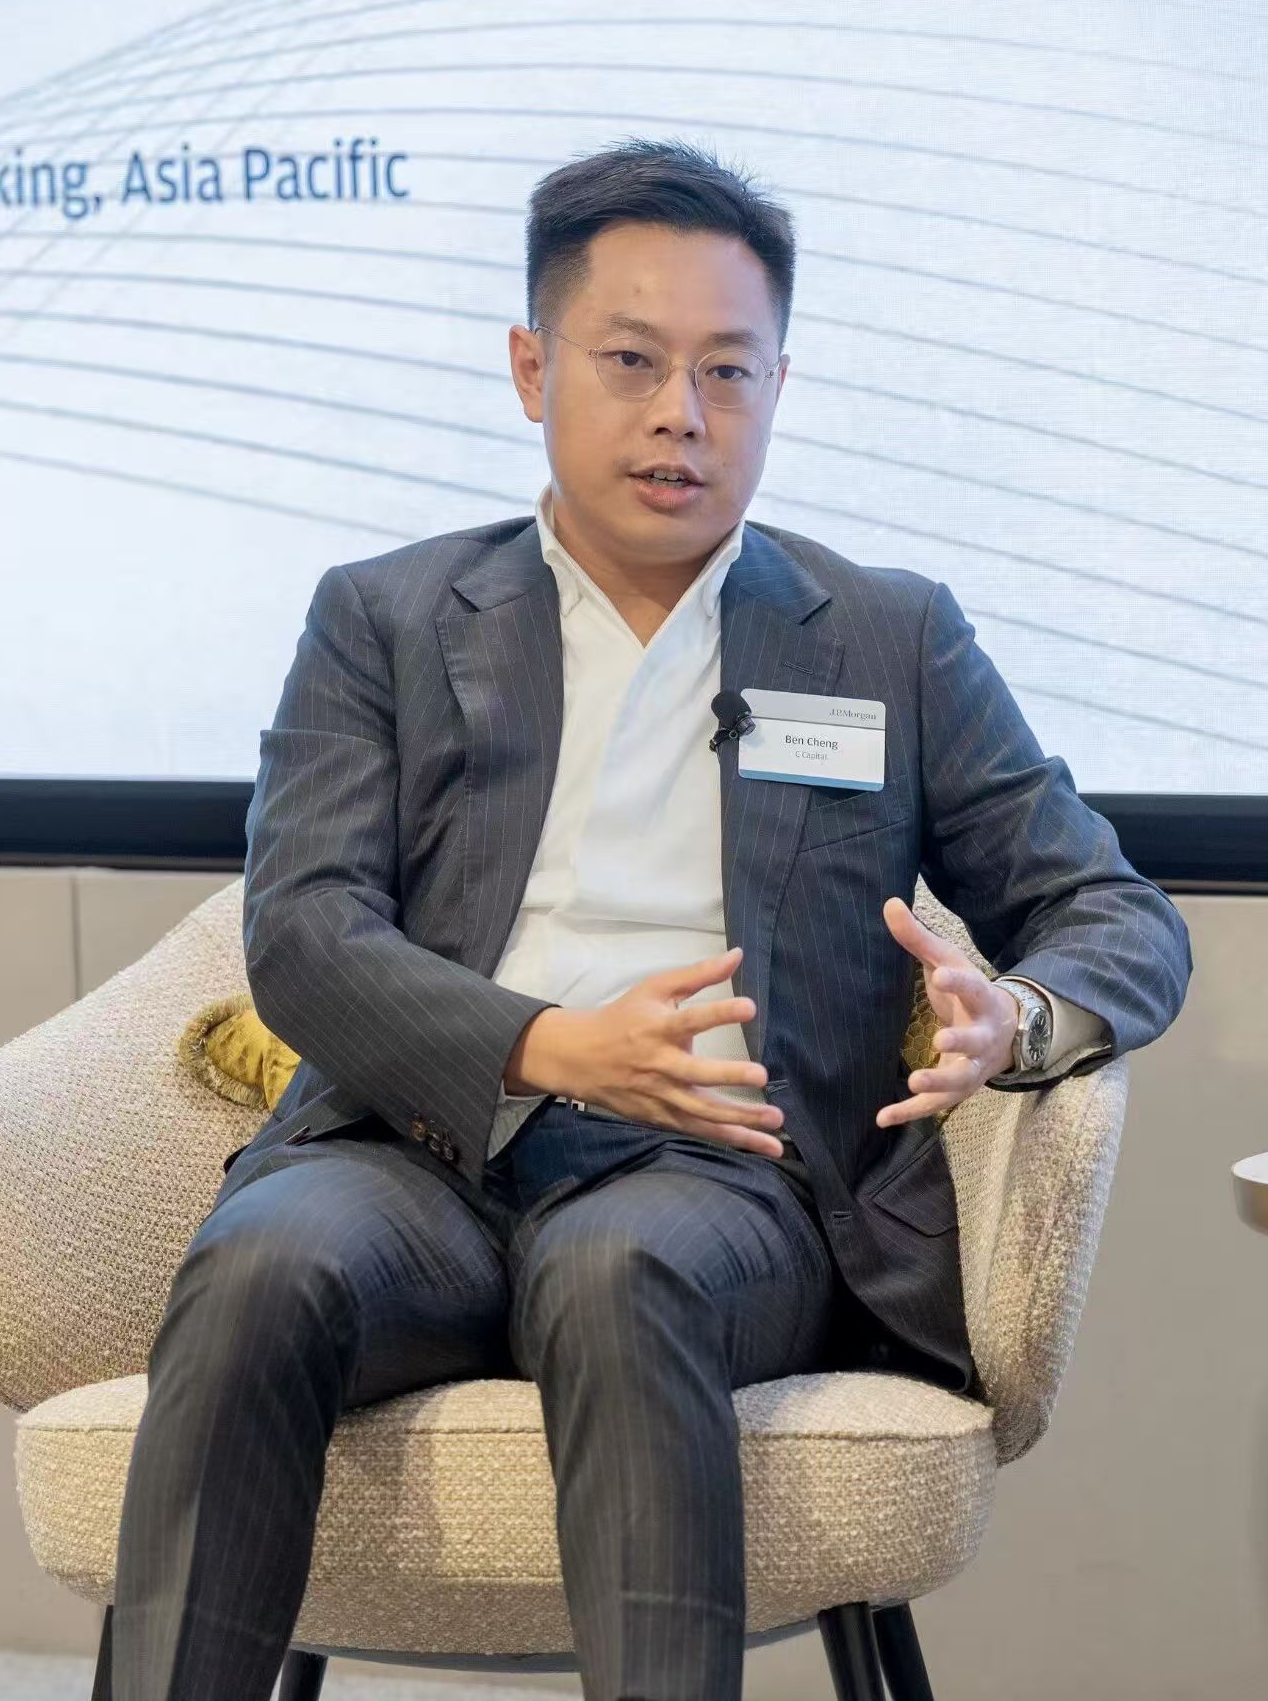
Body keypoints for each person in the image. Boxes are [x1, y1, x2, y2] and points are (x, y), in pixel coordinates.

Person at [109, 137, 1192, 1700]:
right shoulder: (384, 618)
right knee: (265, 1262)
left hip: (723, 1181)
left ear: (777, 388)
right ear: (532, 367)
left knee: (622, 1270)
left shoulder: (885, 637)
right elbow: (305, 938)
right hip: (414, 1156)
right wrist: (554, 1048)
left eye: (728, 372)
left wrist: (1015, 1018)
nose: (683, 412)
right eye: (632, 362)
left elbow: (1109, 906)